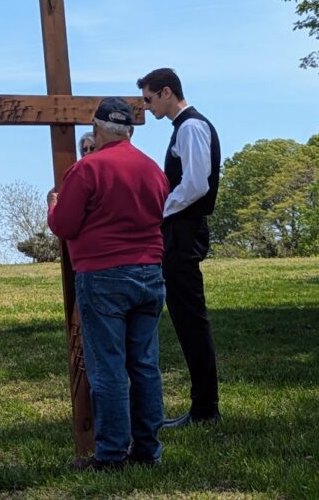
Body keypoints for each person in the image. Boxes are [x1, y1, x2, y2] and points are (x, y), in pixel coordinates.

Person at [47, 97, 170, 470]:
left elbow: (64, 226)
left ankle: (112, 454)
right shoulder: (152, 170)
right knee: (145, 364)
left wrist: (54, 206)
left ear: (97, 129)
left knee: (108, 368)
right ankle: (148, 450)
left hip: (103, 275)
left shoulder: (88, 169)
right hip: (150, 272)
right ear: (130, 130)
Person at [138, 67, 222, 428]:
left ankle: (205, 408)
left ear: (166, 92)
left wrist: (160, 210)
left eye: (148, 99)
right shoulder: (183, 128)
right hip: (180, 229)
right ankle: (203, 406)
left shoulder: (190, 127)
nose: (146, 106)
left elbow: (196, 184)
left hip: (184, 231)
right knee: (186, 318)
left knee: (191, 319)